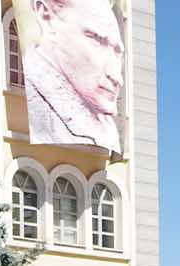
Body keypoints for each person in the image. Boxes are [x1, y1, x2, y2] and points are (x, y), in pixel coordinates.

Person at [19, 0, 124, 155]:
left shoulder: (106, 124)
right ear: (45, 15)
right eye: (96, 39)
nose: (117, 78)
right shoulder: (40, 107)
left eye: (117, 53)